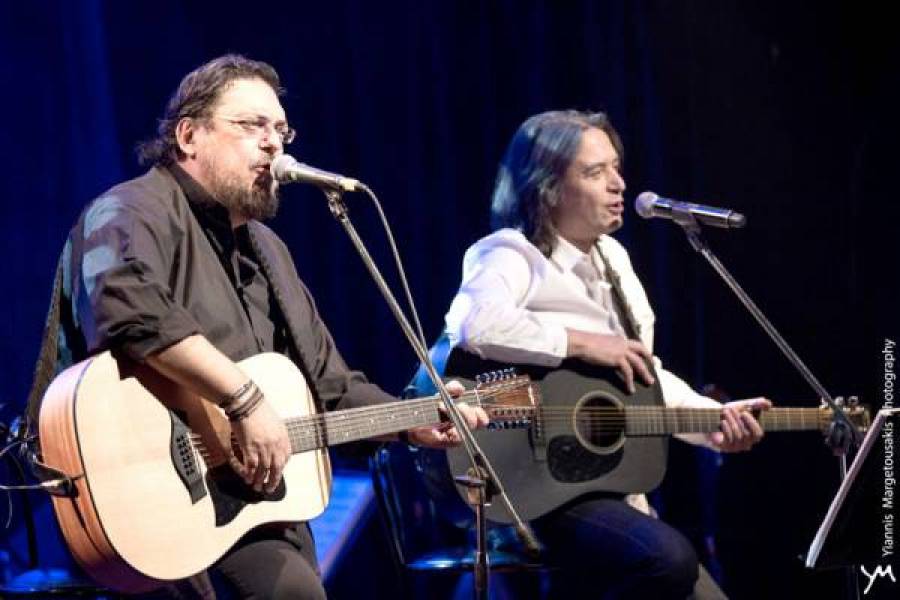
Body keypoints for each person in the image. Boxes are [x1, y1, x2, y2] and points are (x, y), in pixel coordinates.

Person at [43, 54, 487, 599]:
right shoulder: (131, 210)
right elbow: (130, 310)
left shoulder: (269, 251)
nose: (274, 143)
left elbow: (330, 387)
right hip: (149, 494)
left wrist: (411, 422)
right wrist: (244, 400)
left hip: (251, 508)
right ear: (189, 136)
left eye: (281, 129)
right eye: (252, 125)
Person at [443, 110, 770, 599]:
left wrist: (712, 422)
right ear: (548, 188)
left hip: (610, 490)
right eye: (595, 172)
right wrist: (582, 342)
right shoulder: (511, 252)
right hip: (536, 491)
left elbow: (641, 374)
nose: (619, 184)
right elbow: (474, 323)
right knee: (668, 560)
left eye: (616, 168)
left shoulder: (614, 259)